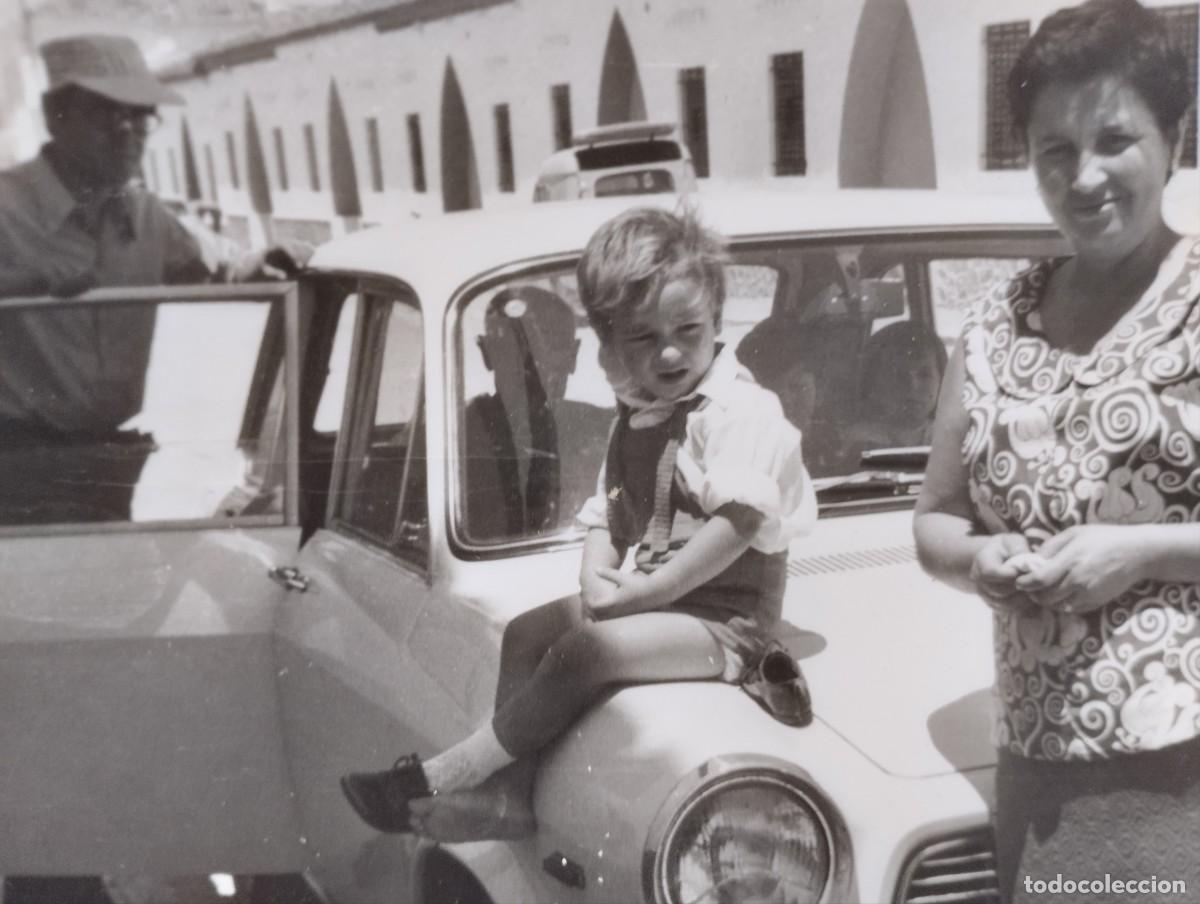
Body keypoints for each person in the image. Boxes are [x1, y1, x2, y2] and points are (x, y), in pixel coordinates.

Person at [341, 207, 816, 840]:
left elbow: (737, 522)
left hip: (727, 624)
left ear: (717, 320)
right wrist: (596, 577)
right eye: (643, 338)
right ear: (612, 345)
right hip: (661, 604)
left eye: (687, 329)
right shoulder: (642, 416)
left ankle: (448, 771)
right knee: (527, 633)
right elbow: (611, 513)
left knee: (586, 650)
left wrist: (645, 594)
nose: (670, 351)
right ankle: (510, 800)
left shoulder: (738, 410)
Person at [912, 2, 1200, 900]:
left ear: (1177, 137)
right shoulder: (995, 322)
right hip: (1042, 771)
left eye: (1115, 138)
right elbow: (934, 519)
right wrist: (979, 560)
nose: (1085, 176)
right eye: (1054, 150)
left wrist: (1142, 551)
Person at [0, 34, 309, 523]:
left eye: (142, 114)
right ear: (57, 116)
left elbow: (221, 266)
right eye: (107, 112)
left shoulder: (145, 217)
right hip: (16, 466)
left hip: (109, 461)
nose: (129, 129)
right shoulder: (6, 209)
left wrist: (267, 260)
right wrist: (20, 281)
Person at [462, 285, 611, 541]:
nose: (533, 370)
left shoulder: (602, 430)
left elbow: (620, 493)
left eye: (549, 349)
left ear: (573, 355)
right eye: (512, 350)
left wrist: (612, 502)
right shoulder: (460, 435)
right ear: (487, 353)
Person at [845, 321, 946, 457]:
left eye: (924, 375)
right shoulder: (860, 440)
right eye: (899, 376)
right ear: (875, 384)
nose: (912, 386)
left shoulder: (948, 437)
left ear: (941, 379)